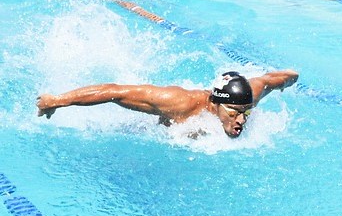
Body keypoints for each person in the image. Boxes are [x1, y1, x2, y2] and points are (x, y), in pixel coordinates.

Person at [36, 69, 299, 138]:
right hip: (159, 132)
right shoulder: (181, 104)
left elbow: (272, 79)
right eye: (234, 112)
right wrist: (58, 100)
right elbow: (113, 91)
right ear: (217, 104)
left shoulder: (247, 95)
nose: (241, 120)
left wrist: (292, 78)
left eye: (246, 112)